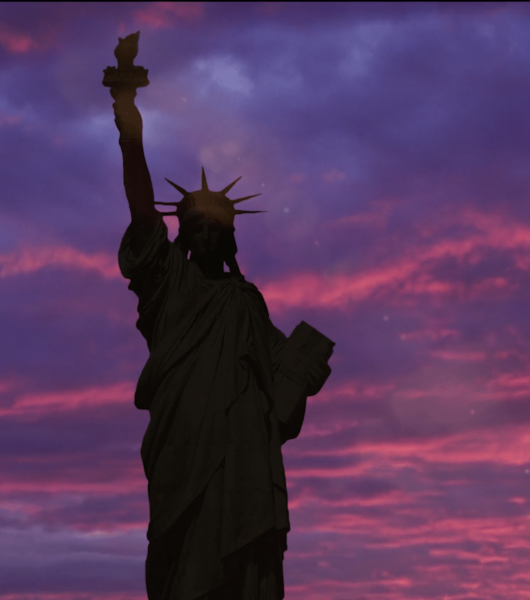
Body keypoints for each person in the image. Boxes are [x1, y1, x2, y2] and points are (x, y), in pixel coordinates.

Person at [110, 75, 331, 600]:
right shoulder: (167, 282)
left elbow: (283, 373)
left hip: (241, 455)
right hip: (181, 443)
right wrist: (127, 118)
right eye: (198, 229)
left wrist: (304, 366)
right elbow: (142, 208)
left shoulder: (244, 300)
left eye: (218, 230)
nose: (207, 237)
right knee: (180, 557)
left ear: (229, 240)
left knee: (238, 570)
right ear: (183, 236)